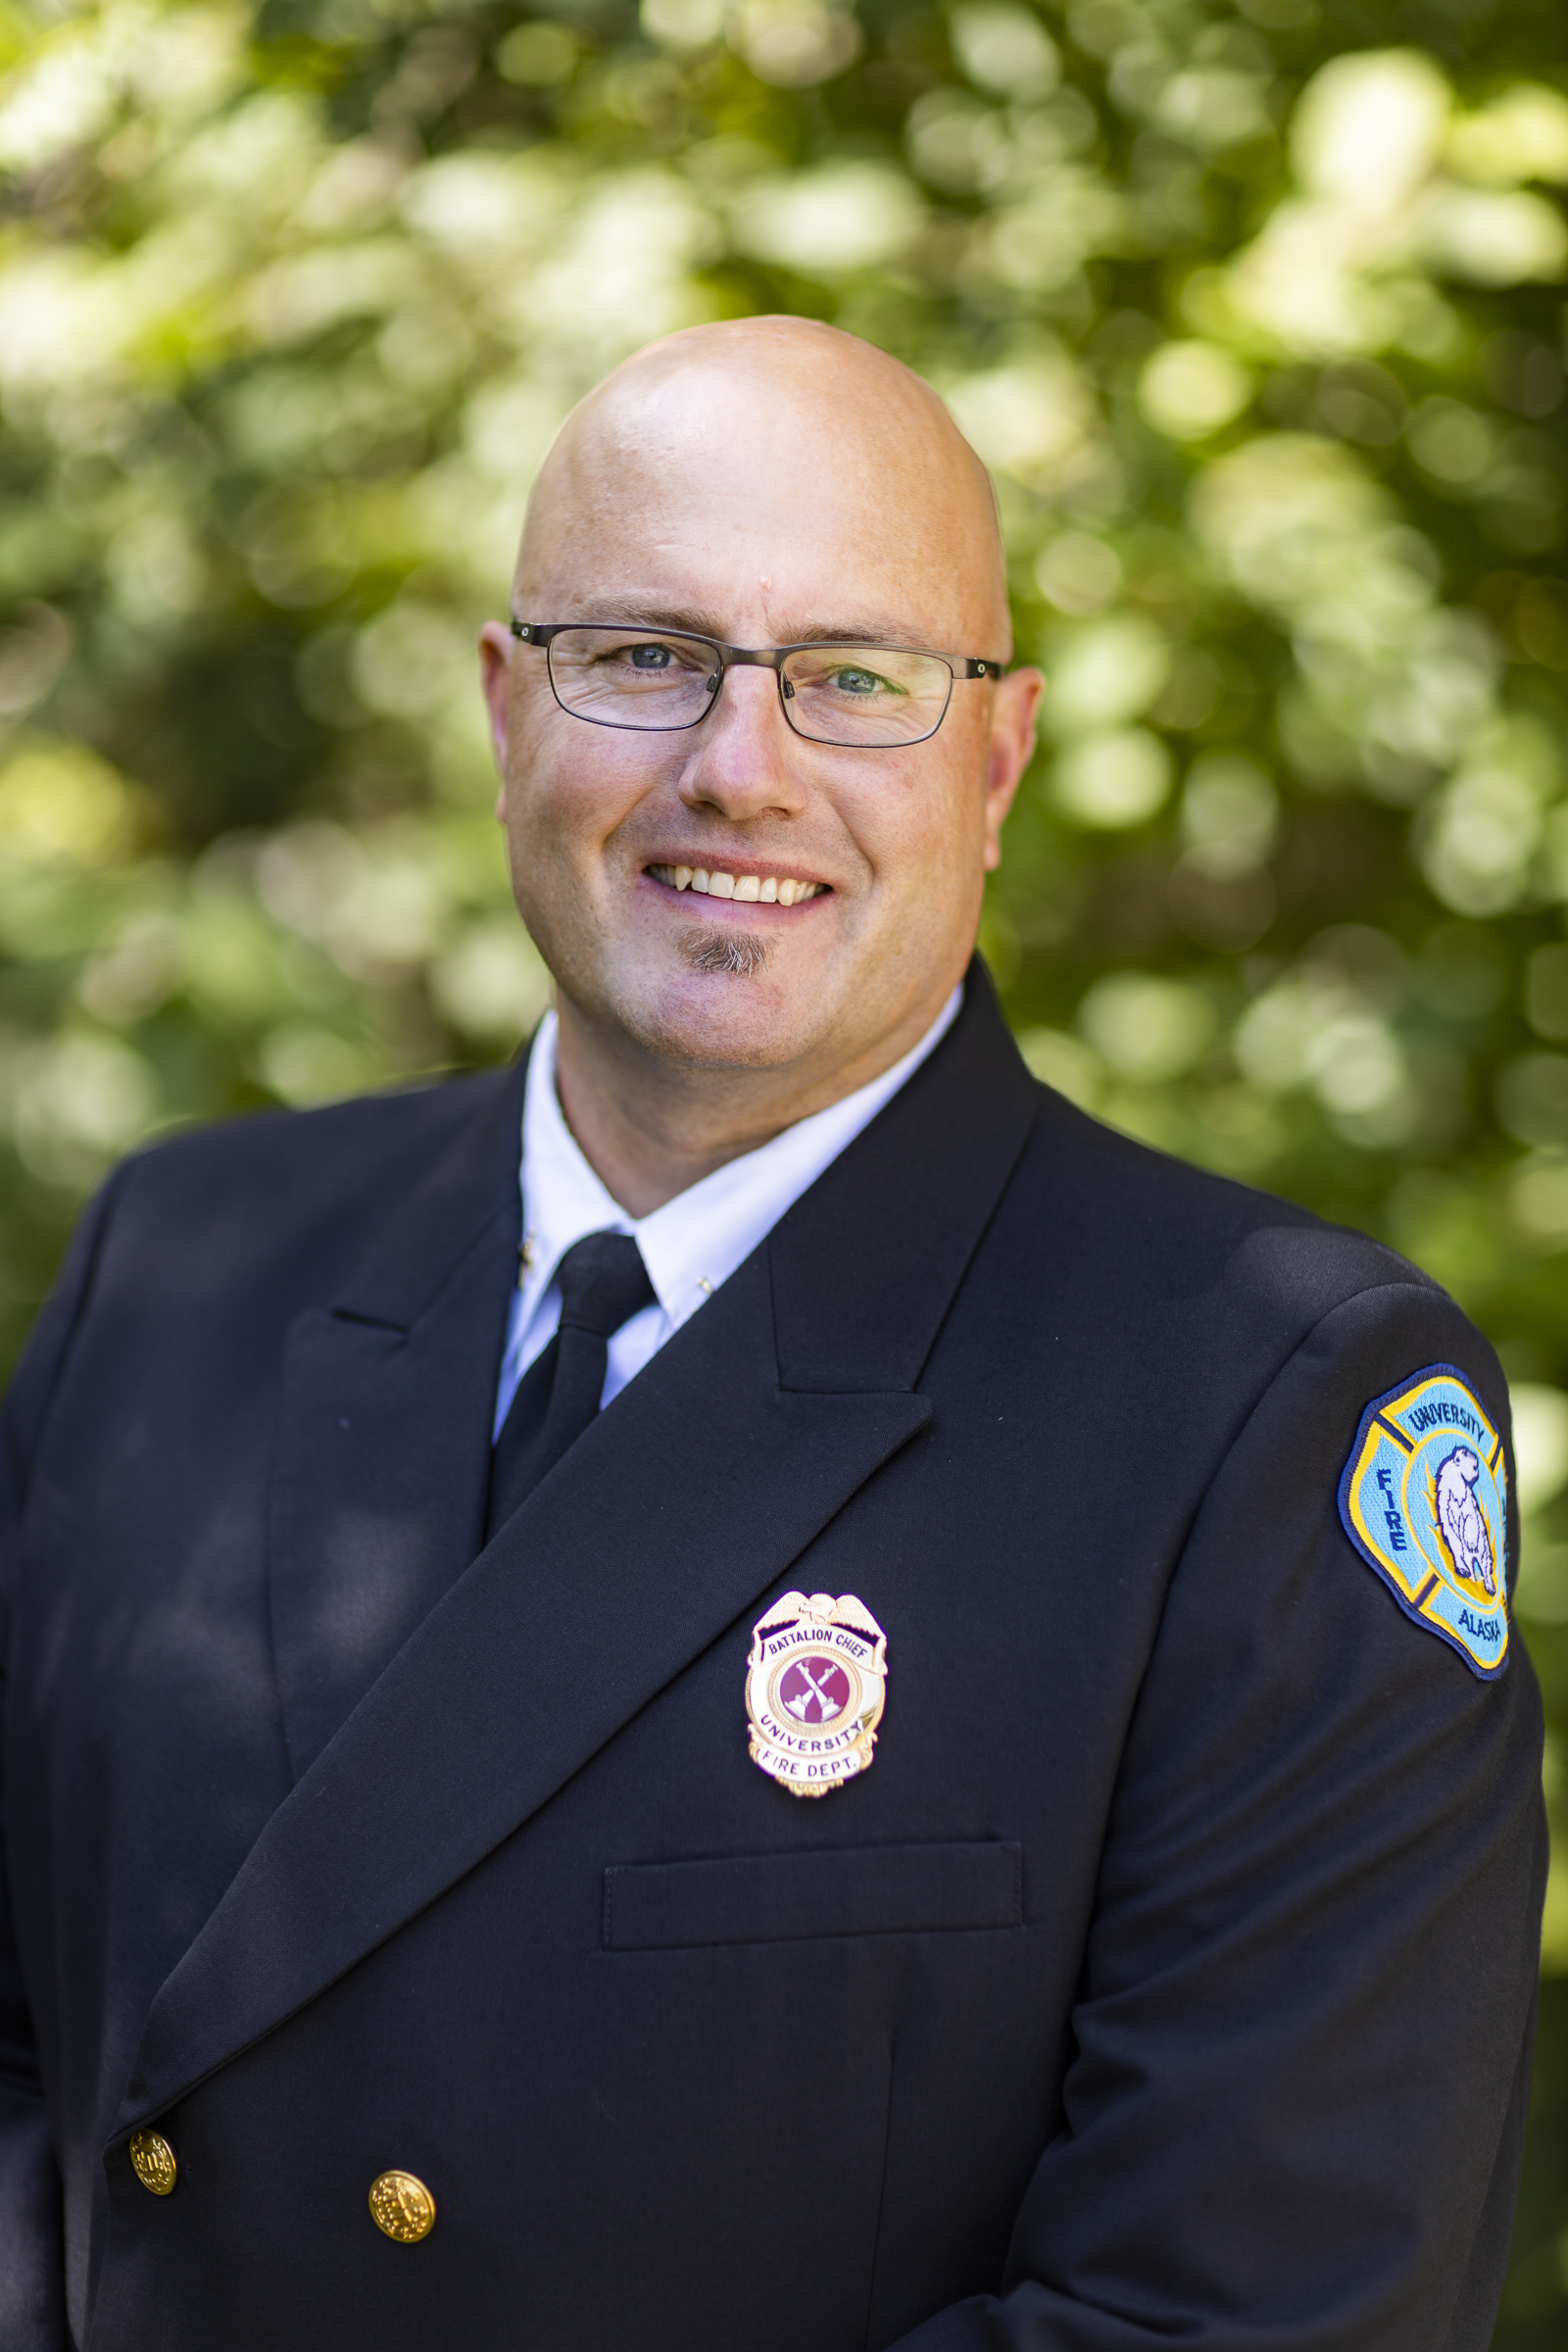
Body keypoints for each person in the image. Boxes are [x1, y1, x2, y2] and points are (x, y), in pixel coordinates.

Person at [0, 317, 1544, 2352]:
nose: (742, 767)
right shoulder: (182, 1260)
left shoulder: (1261, 1412)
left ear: (992, 763)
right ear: (500, 708)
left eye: (854, 679)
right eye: (642, 657)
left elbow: (1241, 2317)